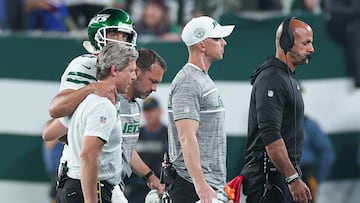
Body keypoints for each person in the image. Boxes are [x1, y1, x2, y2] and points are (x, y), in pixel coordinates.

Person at [240, 17, 314, 203]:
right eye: (306, 43)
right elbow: (271, 135)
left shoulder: (286, 77)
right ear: (286, 42)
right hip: (270, 180)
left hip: (281, 176)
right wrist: (292, 177)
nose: (311, 49)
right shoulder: (272, 78)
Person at [55, 43, 138, 203]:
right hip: (92, 188)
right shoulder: (102, 105)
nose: (134, 77)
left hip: (78, 185)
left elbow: (57, 133)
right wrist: (91, 199)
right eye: (131, 71)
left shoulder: (87, 99)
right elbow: (88, 154)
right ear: (114, 70)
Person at [167, 16, 234, 203]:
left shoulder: (200, 79)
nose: (224, 42)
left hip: (206, 185)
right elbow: (186, 137)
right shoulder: (188, 82)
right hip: (193, 187)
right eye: (217, 38)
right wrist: (200, 184)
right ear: (202, 45)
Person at [124, 97, 168, 203]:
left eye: (152, 110)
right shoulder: (137, 134)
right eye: (147, 111)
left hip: (160, 187)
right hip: (136, 188)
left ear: (160, 111)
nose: (149, 114)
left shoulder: (167, 134)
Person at [300, 115, 335, 203]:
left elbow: (327, 153)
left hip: (305, 176)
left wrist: (318, 178)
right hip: (277, 178)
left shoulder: (307, 124)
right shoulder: (271, 121)